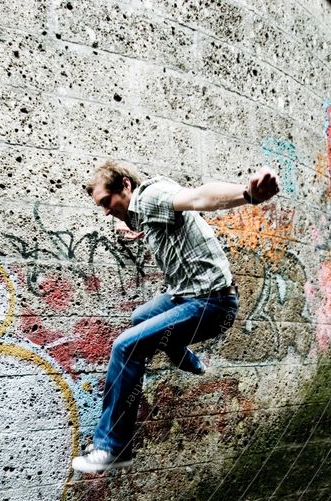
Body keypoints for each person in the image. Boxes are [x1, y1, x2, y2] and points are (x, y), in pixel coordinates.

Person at [73, 160, 280, 473]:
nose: (104, 211)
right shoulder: (141, 211)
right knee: (141, 318)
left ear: (126, 185)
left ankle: (113, 447)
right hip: (185, 295)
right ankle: (188, 359)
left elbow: (199, 197)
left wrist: (247, 194)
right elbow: (147, 220)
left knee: (125, 347)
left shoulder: (153, 196)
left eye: (106, 202)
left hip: (213, 305)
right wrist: (129, 227)